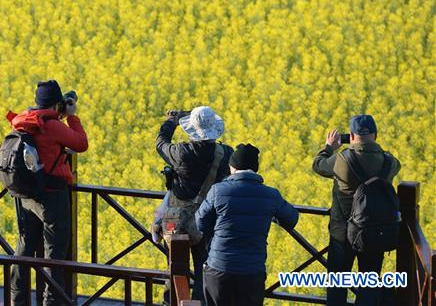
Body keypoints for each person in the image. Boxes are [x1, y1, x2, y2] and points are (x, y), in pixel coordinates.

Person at [7, 80, 88, 306]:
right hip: (51, 196)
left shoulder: (24, 120)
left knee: (24, 248)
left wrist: (56, 115)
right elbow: (81, 143)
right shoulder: (52, 126)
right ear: (56, 103)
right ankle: (51, 303)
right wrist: (71, 116)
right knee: (54, 257)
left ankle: (17, 299)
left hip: (27, 195)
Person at [312, 114, 401, 306]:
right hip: (374, 231)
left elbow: (318, 165)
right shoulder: (389, 162)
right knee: (369, 283)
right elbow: (396, 166)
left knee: (337, 283)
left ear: (351, 136)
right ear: (375, 135)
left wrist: (329, 147)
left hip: (342, 233)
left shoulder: (342, 159)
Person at [195, 143, 299, 306]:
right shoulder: (270, 195)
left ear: (233, 167)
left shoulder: (218, 190)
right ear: (255, 169)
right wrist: (268, 214)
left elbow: (200, 221)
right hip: (252, 271)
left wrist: (216, 232)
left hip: (219, 266)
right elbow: (292, 219)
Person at [155, 105, 233, 305]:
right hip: (206, 219)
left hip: (175, 219)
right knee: (204, 268)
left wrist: (172, 121)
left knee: (173, 264)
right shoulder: (224, 153)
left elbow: (161, 143)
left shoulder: (181, 152)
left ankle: (169, 302)